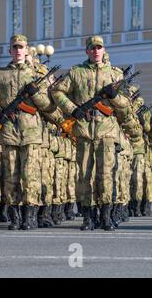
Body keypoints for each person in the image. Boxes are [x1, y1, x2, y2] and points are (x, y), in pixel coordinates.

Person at [51, 35, 137, 231]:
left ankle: (106, 216)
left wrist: (115, 97)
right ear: (87, 51)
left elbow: (126, 106)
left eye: (100, 48)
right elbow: (57, 92)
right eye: (93, 48)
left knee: (106, 175)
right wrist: (73, 109)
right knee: (85, 175)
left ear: (104, 50)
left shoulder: (115, 75)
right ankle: (89, 217)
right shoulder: (76, 72)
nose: (97, 51)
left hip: (107, 132)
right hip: (83, 132)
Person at [0, 34, 55, 231]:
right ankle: (15, 216)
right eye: (14, 47)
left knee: (30, 175)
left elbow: (49, 106)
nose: (18, 51)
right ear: (10, 51)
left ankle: (29, 216)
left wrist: (36, 94)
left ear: (27, 50)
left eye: (21, 47)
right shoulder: (0, 74)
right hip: (8, 131)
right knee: (11, 175)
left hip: (31, 131)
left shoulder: (38, 75)